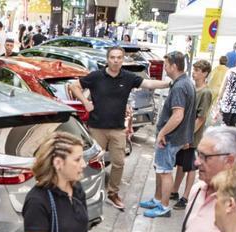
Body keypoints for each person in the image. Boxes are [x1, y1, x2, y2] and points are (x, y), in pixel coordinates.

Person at [68, 46, 170, 211]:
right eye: (113, 57)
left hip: (117, 129)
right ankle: (86, 194)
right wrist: (85, 102)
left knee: (119, 162)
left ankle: (112, 193)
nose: (116, 60)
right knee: (91, 164)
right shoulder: (96, 76)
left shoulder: (128, 77)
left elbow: (149, 83)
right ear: (108, 59)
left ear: (123, 60)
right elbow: (74, 86)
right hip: (97, 128)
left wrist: (170, 82)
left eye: (119, 58)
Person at [138, 51, 196, 219]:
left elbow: (178, 115)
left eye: (166, 65)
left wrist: (162, 133)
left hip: (170, 138)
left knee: (164, 171)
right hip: (176, 137)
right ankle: (157, 200)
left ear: (174, 66)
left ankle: (163, 206)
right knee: (161, 169)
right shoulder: (185, 82)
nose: (164, 68)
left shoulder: (179, 86)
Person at [171, 60, 212, 211]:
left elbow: (201, 118)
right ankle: (174, 191)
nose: (193, 73)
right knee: (181, 164)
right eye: (193, 70)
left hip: (193, 137)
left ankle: (186, 196)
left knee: (191, 168)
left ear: (205, 73)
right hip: (185, 135)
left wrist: (188, 136)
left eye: (197, 70)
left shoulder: (205, 92)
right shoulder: (194, 88)